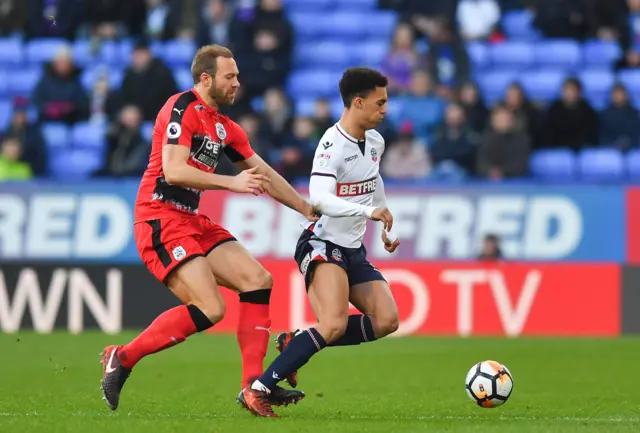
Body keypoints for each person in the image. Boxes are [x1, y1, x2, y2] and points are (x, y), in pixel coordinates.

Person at [100, 44, 319, 411]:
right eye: (229, 76)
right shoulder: (180, 107)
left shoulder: (224, 126)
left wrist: (304, 207)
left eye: (236, 76)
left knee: (258, 280)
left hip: (190, 219)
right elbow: (173, 170)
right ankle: (122, 357)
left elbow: (262, 171)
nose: (237, 83)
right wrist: (231, 183)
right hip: (159, 217)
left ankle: (254, 387)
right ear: (206, 78)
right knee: (210, 307)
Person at [239, 68, 401, 417]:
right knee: (333, 324)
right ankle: (258, 388)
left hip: (352, 248)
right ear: (358, 102)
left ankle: (296, 341)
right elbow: (319, 199)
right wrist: (368, 211)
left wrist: (384, 217)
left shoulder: (375, 141)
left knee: (387, 320)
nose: (385, 109)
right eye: (380, 102)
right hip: (322, 244)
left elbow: (373, 181)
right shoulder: (332, 145)